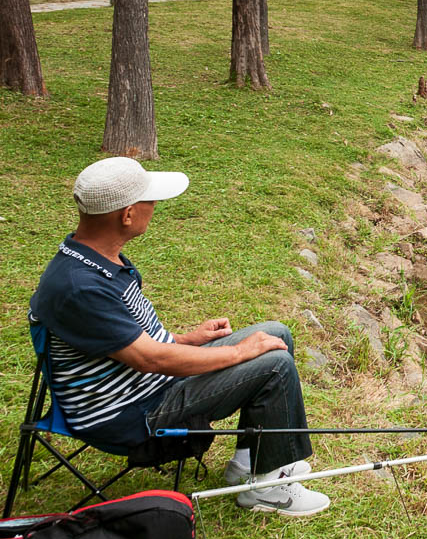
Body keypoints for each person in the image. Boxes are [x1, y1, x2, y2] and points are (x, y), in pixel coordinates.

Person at [28, 156, 330, 517]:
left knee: (274, 334)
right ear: (127, 215)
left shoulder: (93, 259)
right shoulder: (80, 287)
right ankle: (267, 491)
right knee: (274, 364)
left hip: (148, 383)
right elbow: (151, 359)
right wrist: (240, 353)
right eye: (150, 201)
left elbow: (127, 341)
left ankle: (250, 463)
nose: (154, 208)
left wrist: (186, 340)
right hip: (132, 413)